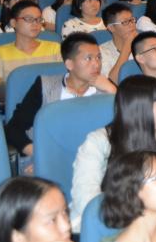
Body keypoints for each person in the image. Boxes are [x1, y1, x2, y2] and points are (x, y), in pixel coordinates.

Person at [69, 75, 156, 232]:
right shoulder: (98, 141)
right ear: (139, 107)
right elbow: (87, 202)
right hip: (108, 222)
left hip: (152, 219)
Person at [7, 33, 117, 162]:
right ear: (69, 64)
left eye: (99, 57)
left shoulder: (107, 88)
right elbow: (14, 128)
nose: (96, 64)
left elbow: (127, 129)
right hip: (51, 158)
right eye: (89, 58)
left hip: (97, 160)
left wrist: (113, 91)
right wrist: (38, 155)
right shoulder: (45, 87)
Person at [0, 0, 61, 103]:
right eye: (29, 19)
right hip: (18, 106)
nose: (35, 24)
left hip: (53, 105)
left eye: (39, 19)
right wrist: (22, 96)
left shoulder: (55, 48)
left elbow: (67, 79)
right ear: (13, 23)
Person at [99, 2, 137, 84]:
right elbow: (113, 82)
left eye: (132, 20)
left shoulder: (142, 46)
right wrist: (127, 47)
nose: (132, 25)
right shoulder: (101, 52)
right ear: (111, 28)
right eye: (125, 22)